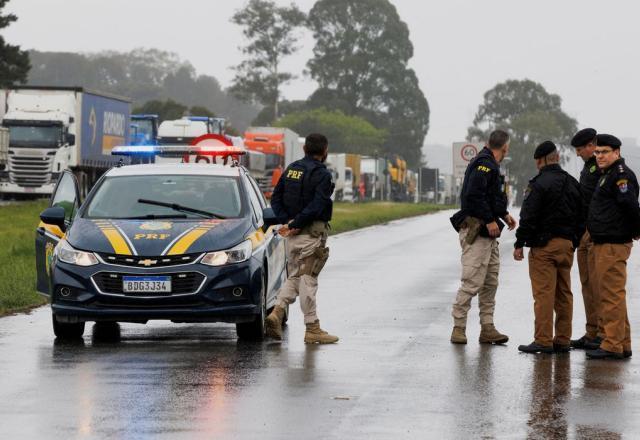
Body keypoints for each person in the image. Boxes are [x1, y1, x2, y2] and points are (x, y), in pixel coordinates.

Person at [265, 133, 339, 344]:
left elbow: (276, 197)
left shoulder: (291, 169)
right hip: (310, 236)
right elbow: (317, 205)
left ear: (305, 148)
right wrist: (296, 223)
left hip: (291, 237)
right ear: (324, 151)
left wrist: (287, 222)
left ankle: (276, 313)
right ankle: (312, 328)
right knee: (308, 279)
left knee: (295, 277)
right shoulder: (322, 175)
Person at [513, 141, 583, 354]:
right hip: (567, 245)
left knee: (544, 294)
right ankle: (562, 339)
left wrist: (519, 242)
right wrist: (574, 241)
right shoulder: (572, 183)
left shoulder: (538, 183)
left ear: (540, 160)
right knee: (564, 293)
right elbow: (582, 215)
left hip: (544, 247)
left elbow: (528, 216)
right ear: (557, 157)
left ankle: (543, 340)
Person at [449, 130, 516, 344]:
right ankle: (458, 328)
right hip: (477, 231)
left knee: (490, 283)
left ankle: (487, 328)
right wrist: (489, 219)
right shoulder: (484, 164)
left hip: (488, 235)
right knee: (471, 281)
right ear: (505, 147)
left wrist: (504, 215)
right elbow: (473, 196)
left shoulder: (491, 164)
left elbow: (491, 196)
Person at [586, 134, 640, 359]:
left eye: (604, 152)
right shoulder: (606, 175)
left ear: (616, 153)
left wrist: (636, 230)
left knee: (610, 296)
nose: (599, 156)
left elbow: (630, 205)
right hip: (604, 241)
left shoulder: (620, 175)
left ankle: (612, 344)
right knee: (612, 295)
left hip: (613, 242)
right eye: (597, 152)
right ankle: (622, 342)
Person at [569, 128, 604, 350]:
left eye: (580, 149)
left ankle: (603, 333)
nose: (579, 153)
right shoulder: (588, 167)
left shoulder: (600, 166)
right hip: (584, 231)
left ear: (591, 146)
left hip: (596, 231)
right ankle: (592, 331)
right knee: (587, 285)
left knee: (599, 286)